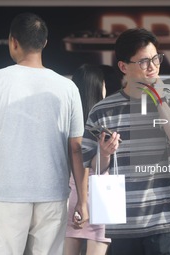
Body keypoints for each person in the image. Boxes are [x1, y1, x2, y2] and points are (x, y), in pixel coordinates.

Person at [0, 12, 88, 255]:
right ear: (45, 42)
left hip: (6, 192)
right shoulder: (68, 88)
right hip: (53, 192)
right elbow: (76, 148)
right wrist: (82, 201)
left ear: (13, 41)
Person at [82, 28, 170, 255]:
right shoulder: (103, 109)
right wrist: (104, 153)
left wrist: (159, 100)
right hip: (123, 221)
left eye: (156, 59)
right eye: (144, 61)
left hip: (165, 218)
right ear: (124, 67)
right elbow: (91, 164)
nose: (153, 66)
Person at [65, 64, 111, 255]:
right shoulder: (105, 122)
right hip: (101, 198)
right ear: (98, 87)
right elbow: (98, 168)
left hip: (70, 196)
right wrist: (105, 153)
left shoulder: (67, 123)